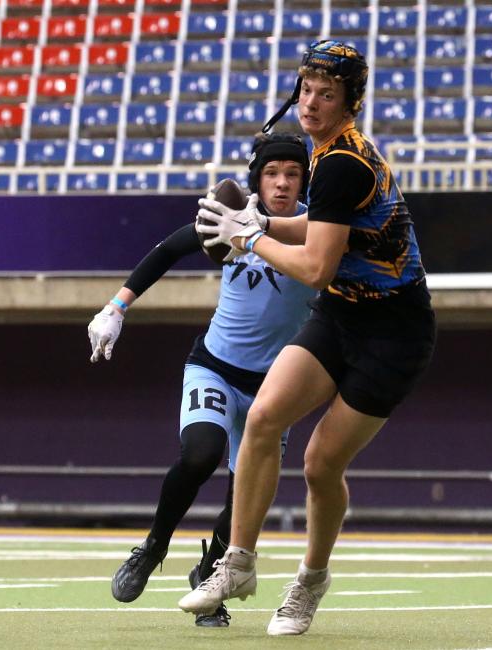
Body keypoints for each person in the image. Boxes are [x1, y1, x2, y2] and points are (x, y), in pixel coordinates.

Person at [179, 39, 436, 636]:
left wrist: (249, 237)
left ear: (350, 102)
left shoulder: (342, 162)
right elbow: (320, 231)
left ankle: (309, 583)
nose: (312, 103)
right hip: (345, 313)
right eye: (306, 90)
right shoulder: (323, 152)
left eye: (327, 94)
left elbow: (317, 265)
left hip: (394, 333)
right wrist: (265, 220)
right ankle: (236, 563)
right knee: (265, 417)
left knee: (321, 464)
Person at [87, 132, 316, 628]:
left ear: (305, 180)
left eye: (293, 174)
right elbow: (168, 250)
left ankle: (210, 578)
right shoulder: (230, 217)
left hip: (275, 385)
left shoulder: (315, 228)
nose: (282, 183)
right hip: (214, 364)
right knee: (200, 453)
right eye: (273, 173)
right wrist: (116, 307)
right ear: (258, 178)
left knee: (243, 500)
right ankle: (151, 548)